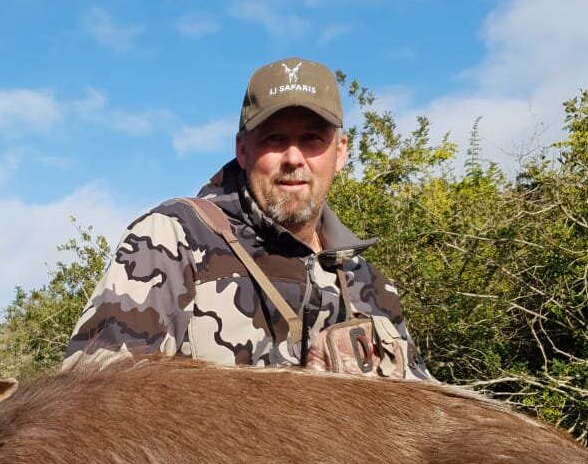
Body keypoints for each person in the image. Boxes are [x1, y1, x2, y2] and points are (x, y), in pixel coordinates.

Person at [64, 57, 430, 379]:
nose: (293, 158)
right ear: (242, 150)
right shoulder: (172, 240)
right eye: (274, 139)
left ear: (340, 152)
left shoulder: (370, 284)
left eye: (312, 139)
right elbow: (89, 408)